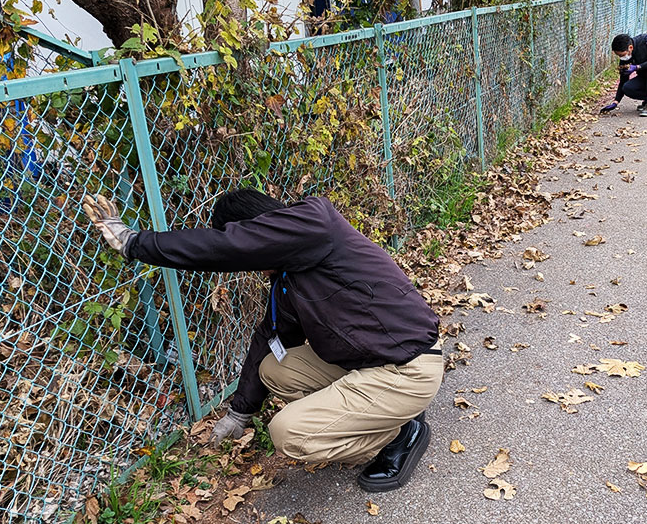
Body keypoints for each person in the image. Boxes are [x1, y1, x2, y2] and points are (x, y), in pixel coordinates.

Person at [83, 189, 442, 492]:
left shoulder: (316, 221)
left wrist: (135, 242)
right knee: (275, 367)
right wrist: (239, 412)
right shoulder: (287, 278)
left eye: (250, 251)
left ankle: (398, 434)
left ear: (257, 233)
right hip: (370, 362)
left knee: (289, 434)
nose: (251, 263)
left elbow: (226, 245)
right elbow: (269, 337)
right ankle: (379, 416)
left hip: (406, 366)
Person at [600, 33, 647, 118]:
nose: (621, 58)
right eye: (619, 56)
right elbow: (623, 80)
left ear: (630, 48)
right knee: (627, 88)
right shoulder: (626, 58)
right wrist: (616, 102)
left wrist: (638, 67)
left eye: (622, 55)